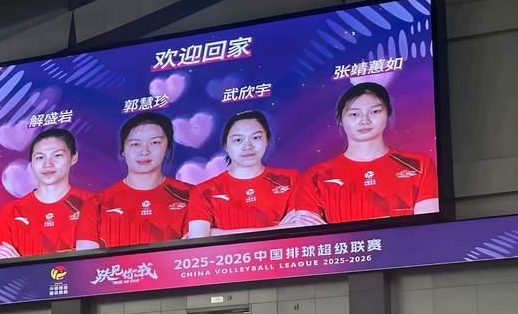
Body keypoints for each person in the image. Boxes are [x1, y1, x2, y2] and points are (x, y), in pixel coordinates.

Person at [291, 82, 439, 225]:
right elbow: (311, 235)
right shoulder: (315, 176)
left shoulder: (419, 164)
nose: (364, 121)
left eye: (375, 112)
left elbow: (426, 228)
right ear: (340, 119)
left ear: (388, 113)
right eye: (354, 114)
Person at [76, 112, 192, 249]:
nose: (144, 152)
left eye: (155, 142)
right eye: (135, 144)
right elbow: (87, 259)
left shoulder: (192, 196)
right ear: (123, 151)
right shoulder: (97, 205)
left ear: (167, 147)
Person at [187, 110, 311, 238]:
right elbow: (199, 241)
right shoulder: (204, 192)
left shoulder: (292, 179)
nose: (248, 146)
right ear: (225, 145)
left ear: (267, 140)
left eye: (256, 137)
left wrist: (217, 234)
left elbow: (302, 229)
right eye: (238, 140)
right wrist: (279, 229)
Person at [0, 128, 94, 259]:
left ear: (73, 158)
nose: (48, 164)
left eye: (57, 155)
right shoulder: (13, 211)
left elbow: (98, 261)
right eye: (40, 157)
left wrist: (22, 261)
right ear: (31, 163)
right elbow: (1, 259)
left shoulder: (93, 204)